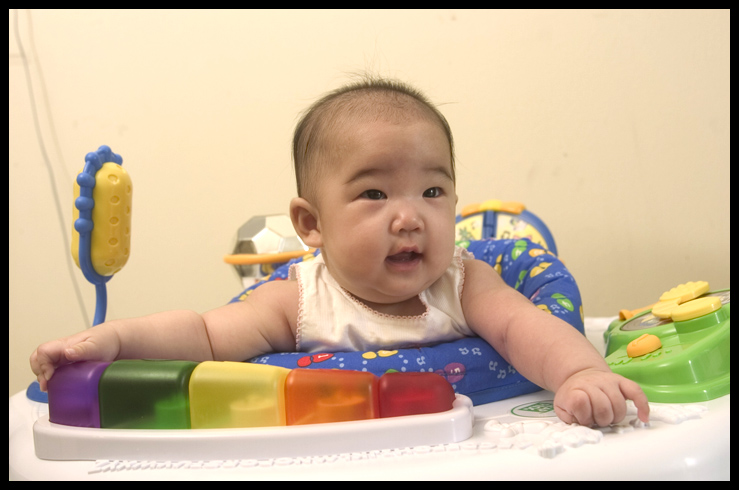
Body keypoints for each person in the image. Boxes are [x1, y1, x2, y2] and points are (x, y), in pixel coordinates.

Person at [31, 76, 649, 427]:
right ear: (312, 224)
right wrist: (112, 341)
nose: (409, 216)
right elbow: (205, 335)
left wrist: (581, 375)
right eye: (374, 194)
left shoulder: (464, 281)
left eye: (432, 191)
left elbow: (525, 330)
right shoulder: (299, 300)